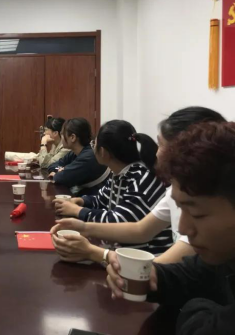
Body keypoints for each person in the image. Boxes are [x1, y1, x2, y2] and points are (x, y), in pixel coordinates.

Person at [51, 107, 226, 264]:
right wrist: (82, 226)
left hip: (146, 259)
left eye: (161, 145)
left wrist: (94, 252)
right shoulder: (172, 190)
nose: (156, 153)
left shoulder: (142, 179)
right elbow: (140, 229)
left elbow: (151, 269)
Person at [107, 121, 235, 335]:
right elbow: (194, 273)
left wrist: (193, 307)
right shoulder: (224, 255)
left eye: (197, 214)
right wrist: (153, 276)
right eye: (180, 209)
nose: (183, 228)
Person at [52, 120, 171, 261]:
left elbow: (117, 221)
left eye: (94, 144)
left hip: (145, 262)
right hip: (119, 253)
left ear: (103, 152)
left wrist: (78, 211)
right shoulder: (120, 173)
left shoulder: (140, 178)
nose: (92, 148)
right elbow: (101, 199)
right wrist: (80, 201)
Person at [47, 117, 108, 195]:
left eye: (62, 134)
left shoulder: (88, 157)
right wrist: (63, 170)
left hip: (93, 198)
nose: (61, 138)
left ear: (72, 137)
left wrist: (62, 171)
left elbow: (61, 178)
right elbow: (52, 166)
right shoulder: (75, 152)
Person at [5, 117, 70, 169]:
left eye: (46, 130)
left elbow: (45, 165)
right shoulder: (55, 144)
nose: (44, 133)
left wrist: (43, 144)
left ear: (55, 133)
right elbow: (46, 159)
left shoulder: (65, 148)